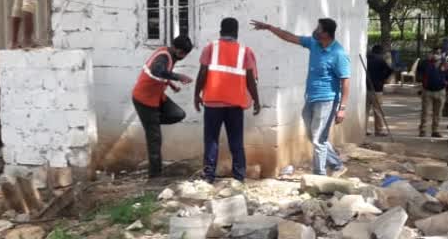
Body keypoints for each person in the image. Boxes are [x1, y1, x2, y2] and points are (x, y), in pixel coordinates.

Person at [251, 18, 350, 177]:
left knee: (318, 138)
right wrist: (269, 27)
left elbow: (345, 82)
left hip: (327, 100)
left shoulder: (338, 54)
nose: (315, 30)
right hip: (311, 98)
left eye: (319, 28)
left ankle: (319, 175)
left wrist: (342, 108)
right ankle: (337, 165)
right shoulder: (314, 44)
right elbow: (289, 37)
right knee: (314, 136)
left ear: (326, 33)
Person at [194, 18, 261, 183]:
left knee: (211, 140)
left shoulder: (210, 48)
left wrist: (196, 94)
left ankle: (209, 176)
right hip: (234, 104)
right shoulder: (245, 51)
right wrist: (256, 100)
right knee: (236, 142)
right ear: (236, 32)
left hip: (212, 103)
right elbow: (250, 79)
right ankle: (239, 177)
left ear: (220, 30)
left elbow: (202, 72)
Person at [131, 35, 194, 178]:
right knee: (155, 140)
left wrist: (172, 85)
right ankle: (155, 177)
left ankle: (150, 123)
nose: (183, 57)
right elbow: (156, 71)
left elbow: (161, 74)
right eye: (182, 53)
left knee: (178, 114)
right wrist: (179, 77)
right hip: (144, 100)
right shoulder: (164, 56)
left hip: (157, 97)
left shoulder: (170, 55)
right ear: (175, 48)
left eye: (185, 54)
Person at [415, 47, 448, 138]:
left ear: (441, 54)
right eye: (435, 52)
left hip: (440, 91)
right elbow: (418, 74)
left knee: (438, 113)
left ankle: (435, 130)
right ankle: (423, 130)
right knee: (425, 112)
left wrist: (446, 86)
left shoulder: (445, 64)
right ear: (431, 53)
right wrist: (421, 84)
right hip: (427, 91)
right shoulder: (425, 63)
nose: (436, 55)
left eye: (439, 53)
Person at [365, 45, 392, 136]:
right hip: (377, 89)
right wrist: (383, 79)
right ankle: (379, 130)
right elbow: (390, 70)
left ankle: (364, 129)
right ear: (381, 52)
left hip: (365, 87)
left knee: (365, 110)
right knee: (377, 110)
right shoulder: (381, 60)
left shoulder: (366, 59)